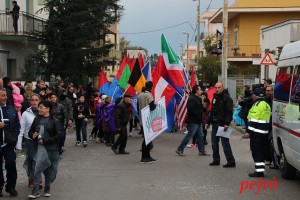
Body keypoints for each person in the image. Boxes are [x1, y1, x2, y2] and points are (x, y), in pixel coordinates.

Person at [28, 100, 60, 198]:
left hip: (51, 148)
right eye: (39, 107)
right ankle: (35, 190)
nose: (39, 109)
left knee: (48, 169)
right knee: (36, 167)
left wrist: (45, 141)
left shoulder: (55, 120)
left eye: (41, 107)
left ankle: (47, 188)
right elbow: (30, 132)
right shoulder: (37, 119)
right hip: (38, 148)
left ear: (47, 109)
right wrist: (33, 135)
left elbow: (58, 136)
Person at [206, 82, 236, 168]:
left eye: (219, 87)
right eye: (216, 87)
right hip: (215, 123)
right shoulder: (215, 97)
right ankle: (216, 160)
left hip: (223, 124)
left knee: (225, 143)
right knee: (214, 143)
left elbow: (229, 112)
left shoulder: (227, 98)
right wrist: (208, 122)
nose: (217, 89)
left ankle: (231, 161)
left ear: (222, 87)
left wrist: (227, 123)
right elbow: (212, 111)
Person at [16, 94, 42, 189]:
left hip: (41, 141)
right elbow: (21, 129)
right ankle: (31, 179)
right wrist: (19, 144)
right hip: (29, 141)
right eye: (32, 100)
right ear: (30, 102)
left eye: (36, 100)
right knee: (31, 161)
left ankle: (38, 180)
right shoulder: (26, 113)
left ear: (40, 101)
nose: (34, 102)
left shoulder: (44, 112)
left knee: (38, 161)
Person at [176, 85, 209, 156]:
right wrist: (198, 114)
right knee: (189, 135)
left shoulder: (198, 98)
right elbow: (190, 110)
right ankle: (180, 149)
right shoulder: (192, 98)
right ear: (196, 90)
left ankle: (202, 150)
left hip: (198, 121)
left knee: (200, 135)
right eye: (200, 89)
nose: (201, 91)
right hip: (193, 121)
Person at [247, 88, 271, 177]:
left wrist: (248, 131)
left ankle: (259, 171)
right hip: (264, 132)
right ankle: (260, 170)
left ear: (254, 95)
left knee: (256, 151)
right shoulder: (266, 104)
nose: (252, 96)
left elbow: (253, 120)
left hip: (256, 133)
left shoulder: (257, 104)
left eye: (252, 95)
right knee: (261, 151)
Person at [0, 87, 20, 197]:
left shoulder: (11, 109)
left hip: (9, 143)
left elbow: (17, 125)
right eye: (2, 95)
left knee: (11, 163)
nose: (5, 97)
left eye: (6, 95)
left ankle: (11, 187)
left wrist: (15, 137)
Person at [137, 81, 157, 163]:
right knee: (147, 139)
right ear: (151, 87)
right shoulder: (149, 95)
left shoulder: (140, 95)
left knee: (147, 138)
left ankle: (148, 156)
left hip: (142, 118)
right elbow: (152, 107)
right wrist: (156, 105)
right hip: (148, 118)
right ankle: (144, 157)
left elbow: (137, 104)